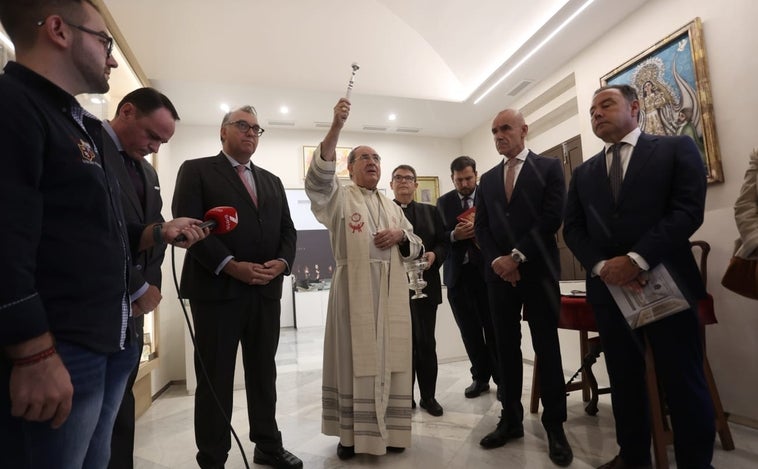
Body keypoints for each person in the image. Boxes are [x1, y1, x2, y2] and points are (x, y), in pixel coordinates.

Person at [0, 2, 205, 468]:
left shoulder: (73, 125)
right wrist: (32, 352)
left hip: (107, 336)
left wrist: (156, 236)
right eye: (104, 42)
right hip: (60, 347)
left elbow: (95, 234)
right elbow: (7, 240)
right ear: (58, 30)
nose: (112, 59)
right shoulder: (15, 105)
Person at [563, 84, 714, 469]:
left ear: (635, 107)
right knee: (625, 382)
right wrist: (603, 267)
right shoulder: (583, 173)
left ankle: (696, 463)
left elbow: (687, 211)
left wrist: (636, 258)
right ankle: (632, 458)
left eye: (606, 104)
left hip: (667, 284)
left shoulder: (674, 148)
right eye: (592, 109)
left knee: (682, 380)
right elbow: (574, 230)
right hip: (610, 293)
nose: (596, 113)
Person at [172, 105, 301, 469]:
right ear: (223, 131)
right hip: (217, 293)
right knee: (216, 378)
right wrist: (231, 266)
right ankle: (213, 458)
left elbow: (288, 231)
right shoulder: (197, 170)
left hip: (265, 291)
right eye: (242, 125)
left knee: (263, 373)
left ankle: (268, 446)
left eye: (257, 129)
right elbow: (190, 227)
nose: (250, 132)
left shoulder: (273, 181)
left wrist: (282, 263)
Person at [305, 98, 422, 459]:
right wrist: (336, 127)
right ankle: (350, 436)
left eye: (376, 159)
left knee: (393, 359)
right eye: (364, 158)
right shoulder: (339, 198)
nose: (372, 163)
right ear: (351, 167)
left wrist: (401, 237)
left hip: (391, 295)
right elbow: (317, 180)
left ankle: (392, 432)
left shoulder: (391, 206)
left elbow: (417, 244)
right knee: (353, 361)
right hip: (353, 292)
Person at [475, 109, 573, 467]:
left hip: (538, 272)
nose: (499, 135)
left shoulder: (548, 168)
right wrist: (500, 262)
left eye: (505, 128)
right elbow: (482, 227)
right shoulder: (486, 179)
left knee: (546, 347)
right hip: (499, 276)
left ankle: (555, 425)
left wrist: (516, 257)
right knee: (505, 348)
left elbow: (552, 218)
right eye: (494, 130)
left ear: (523, 130)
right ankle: (511, 419)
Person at [103, 87, 180, 469]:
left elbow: (153, 232)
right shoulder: (90, 150)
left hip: (134, 310)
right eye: (152, 135)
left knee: (121, 406)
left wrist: (149, 289)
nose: (153, 147)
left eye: (162, 142)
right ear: (128, 111)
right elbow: (97, 232)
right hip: (97, 304)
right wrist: (134, 285)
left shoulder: (148, 172)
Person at [436, 156, 499, 398]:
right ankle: (480, 378)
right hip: (458, 277)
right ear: (452, 178)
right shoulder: (443, 203)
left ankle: (502, 380)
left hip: (488, 274)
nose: (464, 183)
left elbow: (501, 228)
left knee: (493, 329)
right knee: (469, 331)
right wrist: (454, 235)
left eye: (468, 178)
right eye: (459, 179)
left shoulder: (490, 196)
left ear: (476, 175)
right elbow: (439, 235)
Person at [390, 164, 447, 417]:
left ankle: (429, 397)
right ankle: (404, 397)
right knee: (401, 346)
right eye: (398, 178)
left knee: (426, 342)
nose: (403, 182)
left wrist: (435, 254)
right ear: (391, 184)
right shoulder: (384, 211)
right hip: (394, 289)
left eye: (409, 178)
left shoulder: (431, 212)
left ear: (416, 185)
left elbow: (444, 242)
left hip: (426, 286)